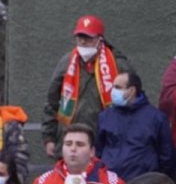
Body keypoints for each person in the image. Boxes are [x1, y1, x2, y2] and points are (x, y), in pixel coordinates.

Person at [43, 15, 131, 158]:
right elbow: (52, 102)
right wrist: (49, 138)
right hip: (71, 141)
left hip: (107, 142)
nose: (83, 42)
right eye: (80, 37)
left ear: (99, 39)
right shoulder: (67, 62)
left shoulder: (117, 64)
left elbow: (133, 100)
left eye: (88, 38)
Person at [96, 71, 175, 181]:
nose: (112, 91)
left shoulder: (156, 118)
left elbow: (166, 156)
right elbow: (98, 152)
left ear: (132, 90)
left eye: (117, 87)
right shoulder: (105, 117)